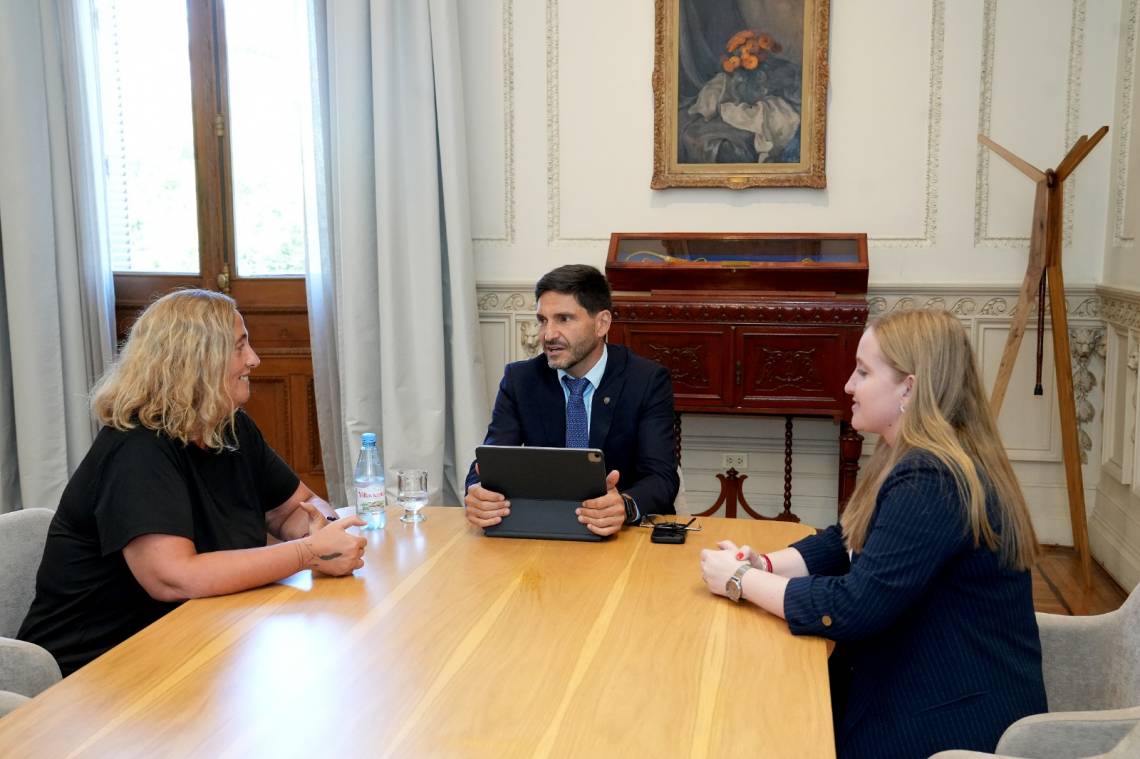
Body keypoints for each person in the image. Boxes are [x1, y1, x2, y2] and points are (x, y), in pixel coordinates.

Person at [699, 309, 1047, 759]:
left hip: (948, 718)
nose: (848, 385)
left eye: (863, 372)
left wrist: (739, 582)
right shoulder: (911, 453)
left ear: (909, 387)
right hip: (923, 678)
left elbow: (854, 606)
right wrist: (762, 564)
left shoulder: (932, 477)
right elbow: (845, 540)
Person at [18, 289, 366, 676]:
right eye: (240, 347)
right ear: (196, 362)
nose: (254, 359)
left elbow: (291, 508)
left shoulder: (229, 427)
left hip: (191, 644)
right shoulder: (137, 448)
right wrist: (307, 553)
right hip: (93, 674)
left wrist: (323, 528)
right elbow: (172, 578)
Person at [464, 264, 679, 536]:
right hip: (542, 530)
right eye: (543, 320)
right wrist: (476, 490)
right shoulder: (521, 380)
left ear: (602, 323)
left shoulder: (646, 380)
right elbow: (491, 460)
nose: (548, 334)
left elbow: (661, 477)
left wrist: (624, 506)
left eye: (564, 319)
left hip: (620, 538)